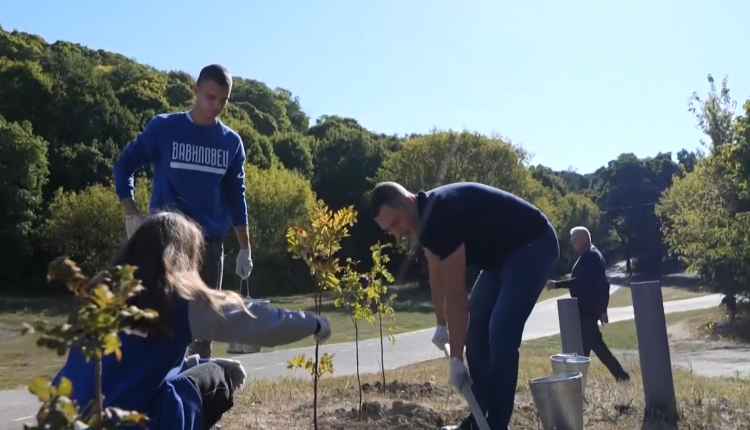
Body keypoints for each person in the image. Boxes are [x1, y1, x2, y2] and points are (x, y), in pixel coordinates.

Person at [51, 212, 332, 430]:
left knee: (202, 369)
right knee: (218, 379)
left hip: (63, 415)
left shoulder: (101, 292)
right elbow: (261, 324)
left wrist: (195, 363)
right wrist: (314, 322)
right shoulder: (180, 300)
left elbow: (129, 367)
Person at [370, 181, 560, 430]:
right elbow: (436, 275)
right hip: (500, 260)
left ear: (407, 202)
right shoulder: (423, 223)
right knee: (477, 334)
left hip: (534, 246)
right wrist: (441, 325)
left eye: (395, 223)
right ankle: (478, 418)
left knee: (501, 332)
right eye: (389, 230)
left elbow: (456, 294)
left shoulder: (441, 214)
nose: (396, 234)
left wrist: (456, 359)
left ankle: (496, 424)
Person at [113, 64, 252, 358]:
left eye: (223, 101)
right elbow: (124, 165)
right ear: (196, 90)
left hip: (209, 247)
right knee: (157, 322)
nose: (215, 106)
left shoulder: (230, 143)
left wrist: (245, 248)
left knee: (202, 329)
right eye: (210, 97)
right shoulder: (165, 129)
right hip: (165, 243)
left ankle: (196, 396)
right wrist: (131, 213)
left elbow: (236, 196)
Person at [546, 226, 630, 382]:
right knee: (585, 348)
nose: (572, 242)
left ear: (584, 239)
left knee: (595, 346)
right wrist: (602, 309)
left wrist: (557, 284)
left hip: (587, 310)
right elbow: (601, 284)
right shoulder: (589, 254)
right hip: (586, 310)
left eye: (574, 239)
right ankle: (577, 379)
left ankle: (621, 376)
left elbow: (585, 282)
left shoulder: (591, 256)